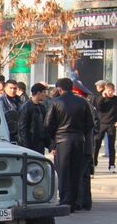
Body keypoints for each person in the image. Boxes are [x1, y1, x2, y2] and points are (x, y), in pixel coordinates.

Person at [44, 78, 94, 212]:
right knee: (76, 171)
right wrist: (80, 131)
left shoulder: (56, 102)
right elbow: (90, 123)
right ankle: (74, 201)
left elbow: (48, 124)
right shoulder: (82, 102)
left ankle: (65, 200)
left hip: (62, 140)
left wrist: (54, 138)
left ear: (59, 89)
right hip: (79, 139)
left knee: (64, 170)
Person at [18, 83, 49, 155]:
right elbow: (23, 128)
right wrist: (27, 147)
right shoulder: (26, 107)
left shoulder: (41, 107)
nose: (45, 95)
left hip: (40, 143)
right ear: (38, 93)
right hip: (30, 144)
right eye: (44, 92)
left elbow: (44, 126)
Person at [93, 82, 117, 172]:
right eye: (109, 91)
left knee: (111, 146)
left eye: (112, 91)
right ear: (105, 90)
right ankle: (94, 163)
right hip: (101, 124)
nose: (110, 93)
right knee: (97, 144)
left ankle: (111, 165)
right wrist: (103, 97)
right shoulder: (99, 98)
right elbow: (98, 107)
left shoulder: (115, 99)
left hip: (111, 124)